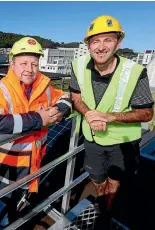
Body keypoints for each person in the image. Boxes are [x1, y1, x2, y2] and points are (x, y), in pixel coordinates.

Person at [69, 15, 154, 223]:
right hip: (92, 139)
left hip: (122, 142)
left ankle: (108, 210)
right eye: (95, 41)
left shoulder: (134, 72)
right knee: (97, 178)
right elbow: (75, 96)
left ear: (119, 42)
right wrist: (89, 113)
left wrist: (109, 117)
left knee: (115, 182)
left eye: (108, 40)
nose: (101, 47)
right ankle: (102, 199)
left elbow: (146, 113)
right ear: (88, 45)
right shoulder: (78, 65)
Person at [0, 37, 72, 228]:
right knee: (7, 209)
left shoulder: (45, 88)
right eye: (23, 63)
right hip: (8, 167)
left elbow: (66, 96)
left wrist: (61, 110)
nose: (29, 69)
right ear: (12, 63)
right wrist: (40, 119)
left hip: (34, 164)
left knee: (23, 206)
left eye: (34, 63)